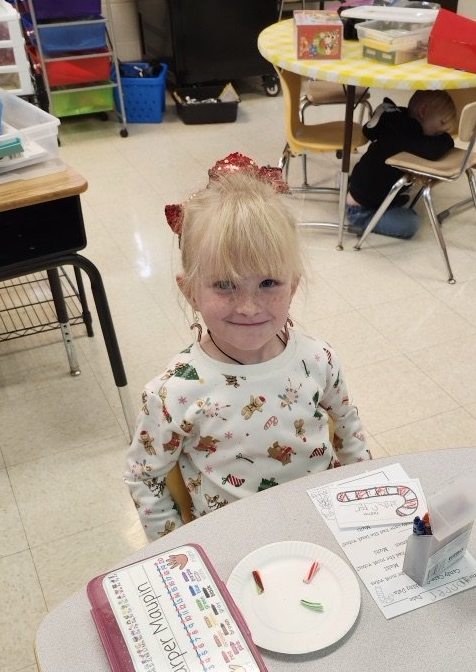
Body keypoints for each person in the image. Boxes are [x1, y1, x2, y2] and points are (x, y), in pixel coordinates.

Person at [125, 153, 372, 540]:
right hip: (234, 544)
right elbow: (144, 478)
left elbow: (349, 428)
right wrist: (177, 550)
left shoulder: (318, 361)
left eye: (269, 284)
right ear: (189, 290)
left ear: (293, 284)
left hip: (324, 528)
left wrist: (362, 498)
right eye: (225, 284)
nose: (249, 306)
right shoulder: (172, 393)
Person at [346, 89, 457, 240]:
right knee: (411, 223)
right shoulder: (408, 136)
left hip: (361, 191)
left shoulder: (398, 119)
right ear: (423, 111)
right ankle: (364, 223)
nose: (443, 132)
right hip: (362, 211)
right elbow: (434, 149)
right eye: (441, 124)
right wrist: (446, 140)